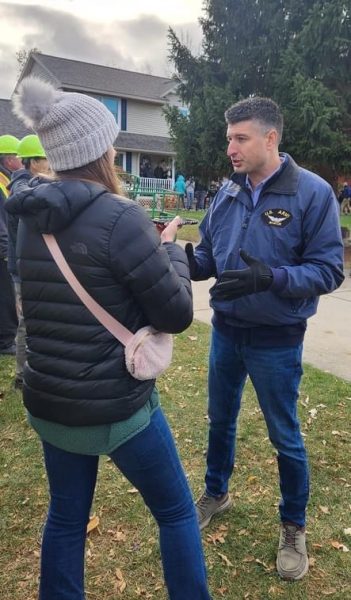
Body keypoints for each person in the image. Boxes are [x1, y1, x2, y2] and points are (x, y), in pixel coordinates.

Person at [7, 76, 211, 600]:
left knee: (66, 518)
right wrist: (170, 250)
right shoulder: (122, 218)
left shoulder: (28, 216)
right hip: (114, 408)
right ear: (99, 149)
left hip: (51, 400)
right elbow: (176, 313)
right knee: (174, 511)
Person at [185, 97, 344, 582]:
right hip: (227, 331)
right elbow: (209, 257)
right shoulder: (227, 193)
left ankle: (294, 525)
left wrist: (272, 278)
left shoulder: (311, 194)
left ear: (270, 138)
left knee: (285, 436)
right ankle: (217, 492)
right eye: (228, 137)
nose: (229, 147)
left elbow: (329, 269)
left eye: (240, 138)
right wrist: (174, 257)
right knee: (220, 420)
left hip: (277, 338)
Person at [7, 135, 50, 389]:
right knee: (25, 322)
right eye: (45, 159)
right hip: (22, 269)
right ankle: (21, 377)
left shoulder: (29, 183)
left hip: (32, 265)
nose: (48, 164)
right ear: (32, 162)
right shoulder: (21, 186)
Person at [0, 134, 21, 356]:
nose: (22, 161)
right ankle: (6, 342)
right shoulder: (1, 182)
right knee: (5, 295)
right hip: (2, 250)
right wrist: (6, 250)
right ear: (8, 161)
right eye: (19, 156)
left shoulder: (6, 180)